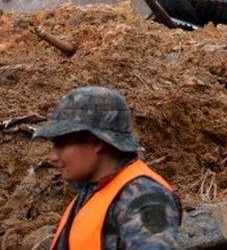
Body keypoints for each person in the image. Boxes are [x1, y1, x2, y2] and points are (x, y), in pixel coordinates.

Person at [34, 86, 181, 249]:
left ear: (97, 142)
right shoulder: (93, 192)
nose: (52, 156)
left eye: (62, 143)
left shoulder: (145, 198)